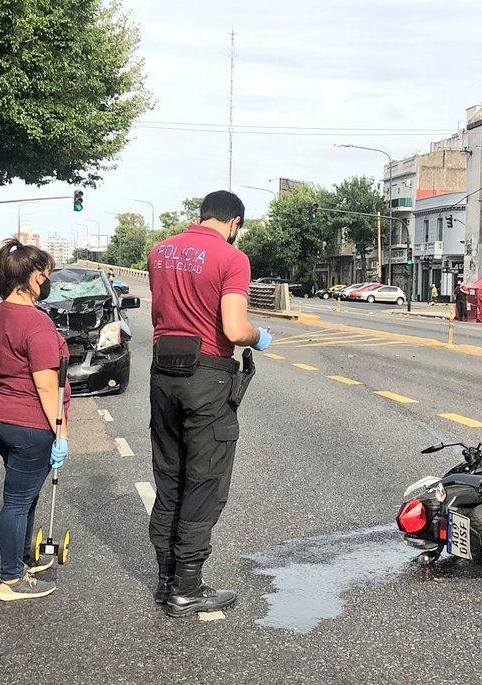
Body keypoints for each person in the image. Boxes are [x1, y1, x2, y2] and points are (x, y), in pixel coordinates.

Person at [147, 190, 271, 618]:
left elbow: (160, 314)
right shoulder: (230, 257)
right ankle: (187, 588)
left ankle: (166, 581)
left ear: (202, 215)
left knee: (169, 477)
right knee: (205, 480)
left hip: (163, 372)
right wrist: (259, 336)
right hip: (207, 374)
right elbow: (234, 328)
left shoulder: (159, 251)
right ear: (234, 222)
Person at [0, 239, 69, 602]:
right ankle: (11, 580)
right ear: (34, 278)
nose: (47, 281)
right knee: (17, 501)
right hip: (30, 423)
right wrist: (61, 432)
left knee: (25, 496)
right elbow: (47, 388)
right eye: (46, 275)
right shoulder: (36, 322)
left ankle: (21, 560)